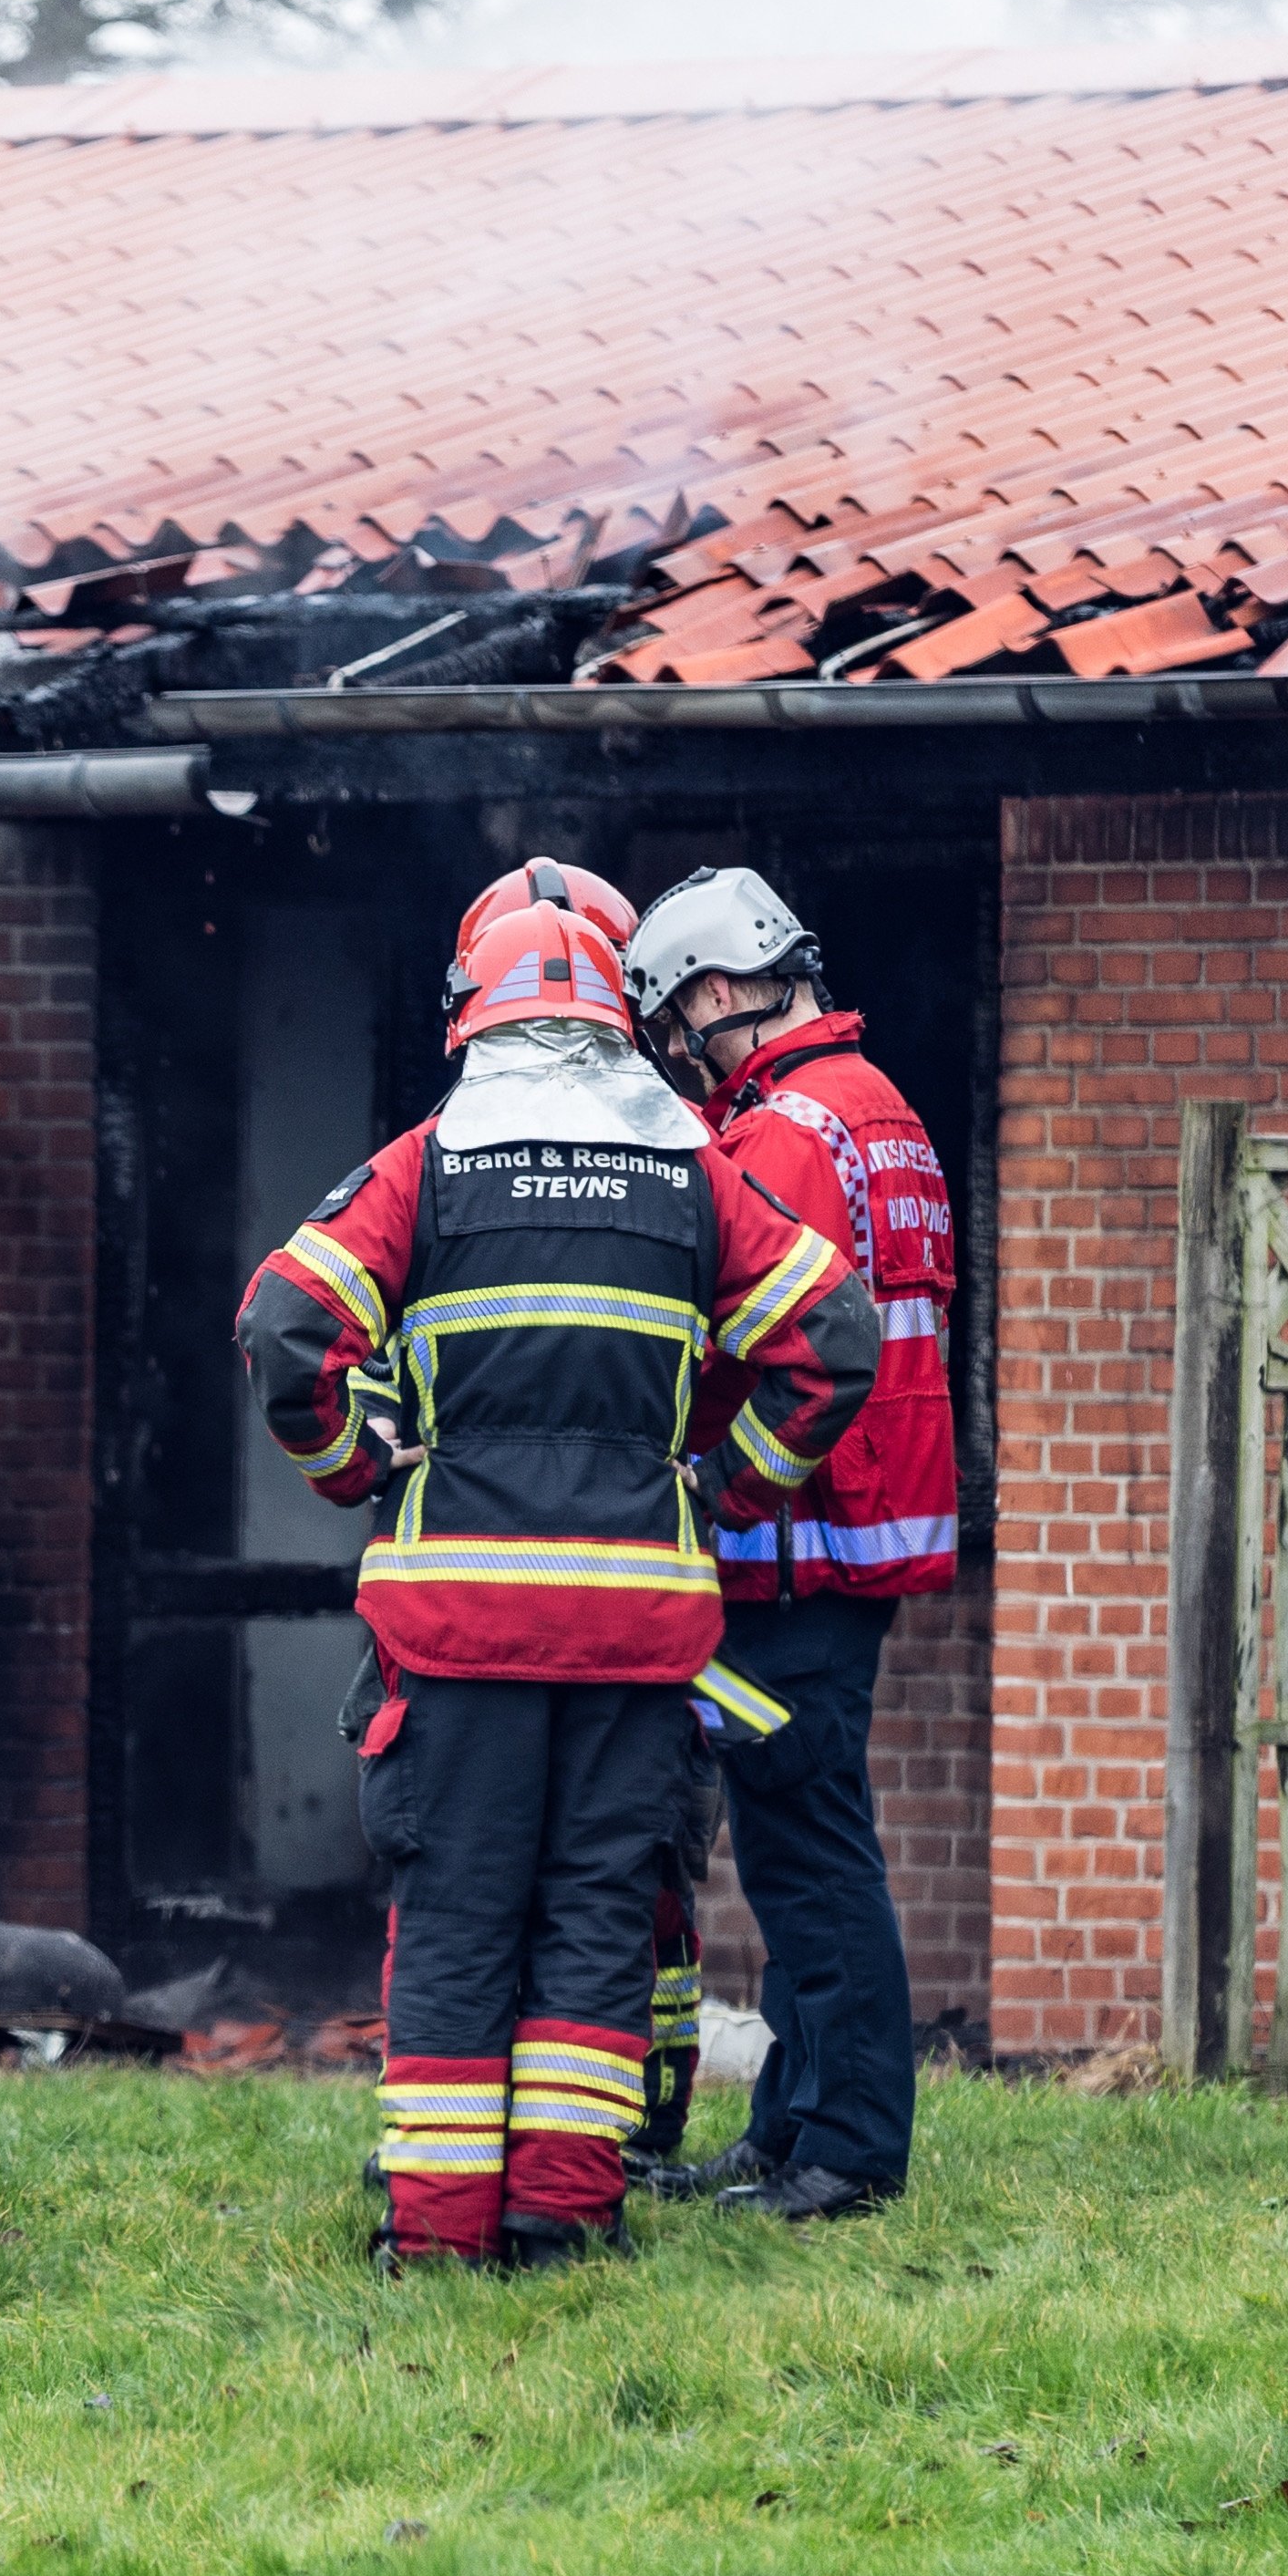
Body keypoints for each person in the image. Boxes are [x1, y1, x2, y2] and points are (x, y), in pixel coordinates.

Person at [238, 859, 881, 2271]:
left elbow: (285, 1327)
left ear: (471, 1021)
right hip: (635, 1633)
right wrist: (718, 1484)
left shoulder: (424, 1165)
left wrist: (357, 1462)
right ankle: (563, 2217)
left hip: (457, 1628)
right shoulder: (695, 1177)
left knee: (461, 1917)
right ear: (619, 1019)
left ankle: (441, 2233)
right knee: (598, 1920)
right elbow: (834, 1341)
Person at [623, 868, 963, 2222]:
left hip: (799, 1547)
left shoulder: (782, 1140)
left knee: (810, 1855)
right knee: (800, 1841)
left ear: (714, 994)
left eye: (672, 1032)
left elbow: (757, 1351)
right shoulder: (877, 1111)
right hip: (856, 1537)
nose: (678, 1065)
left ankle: (849, 2151)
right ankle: (791, 2124)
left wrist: (703, 1486)